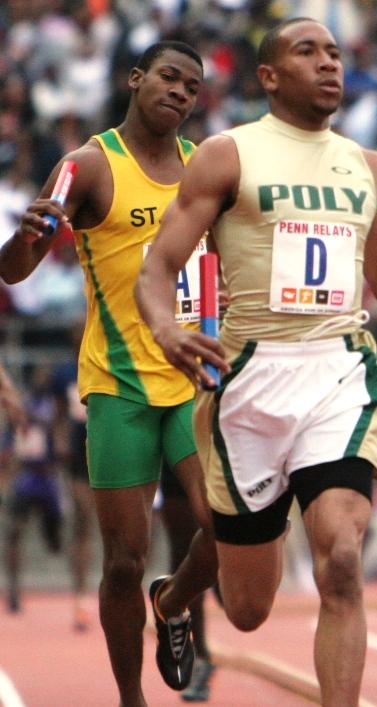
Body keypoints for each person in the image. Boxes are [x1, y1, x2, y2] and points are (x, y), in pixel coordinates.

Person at [135, 18, 377, 707]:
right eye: (308, 52)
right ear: (269, 75)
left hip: (338, 374)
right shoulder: (228, 155)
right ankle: (172, 599)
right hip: (250, 381)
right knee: (249, 605)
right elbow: (160, 265)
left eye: (337, 53)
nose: (329, 64)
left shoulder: (365, 165)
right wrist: (166, 327)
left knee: (341, 560)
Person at [0, 41, 218, 707]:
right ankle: (131, 697)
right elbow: (14, 269)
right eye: (169, 78)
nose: (180, 93)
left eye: (192, 86)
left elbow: (220, 262)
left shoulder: (203, 167)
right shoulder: (87, 164)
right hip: (118, 383)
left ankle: (173, 600)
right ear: (135, 78)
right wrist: (27, 236)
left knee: (230, 526)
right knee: (123, 559)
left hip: (188, 380)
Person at [153, 461, 216, 702]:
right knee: (183, 553)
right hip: (181, 446)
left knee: (245, 610)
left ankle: (222, 567)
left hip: (232, 444)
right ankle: (200, 656)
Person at [3, 364, 62, 613]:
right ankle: (14, 590)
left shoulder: (54, 407)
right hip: (26, 478)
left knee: (54, 540)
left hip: (47, 479)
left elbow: (61, 434)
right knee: (14, 532)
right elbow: (8, 443)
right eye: (36, 375)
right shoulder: (20, 406)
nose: (41, 379)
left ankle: (53, 537)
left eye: (44, 376)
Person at [51, 320, 95, 631]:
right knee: (82, 520)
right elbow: (56, 414)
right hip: (79, 455)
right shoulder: (65, 372)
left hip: (110, 447)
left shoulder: (106, 362)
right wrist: (59, 440)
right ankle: (80, 595)